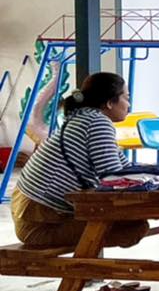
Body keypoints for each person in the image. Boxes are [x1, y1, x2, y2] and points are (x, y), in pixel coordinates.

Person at [12, 72, 150, 249]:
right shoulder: (96, 122)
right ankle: (83, 265)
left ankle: (85, 264)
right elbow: (114, 179)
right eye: (126, 98)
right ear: (109, 102)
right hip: (41, 225)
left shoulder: (84, 118)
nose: (129, 105)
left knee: (130, 222)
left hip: (35, 218)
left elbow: (125, 168)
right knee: (134, 227)